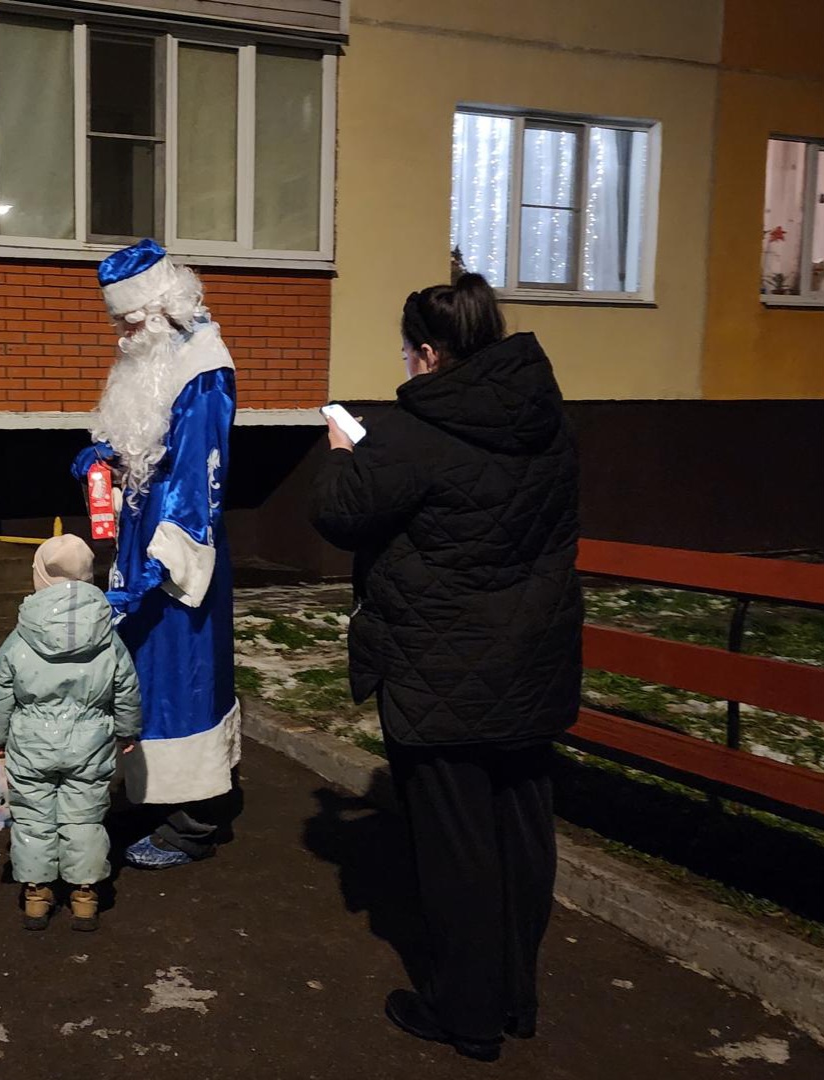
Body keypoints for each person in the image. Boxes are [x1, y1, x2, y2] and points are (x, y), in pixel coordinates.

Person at [309, 274, 582, 1062]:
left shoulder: (413, 430)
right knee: (521, 830)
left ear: (429, 353)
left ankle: (464, 1014)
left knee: (456, 844)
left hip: (441, 668)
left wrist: (338, 454)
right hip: (530, 659)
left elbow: (339, 512)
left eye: (406, 351)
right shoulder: (546, 419)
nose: (406, 364)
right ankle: (513, 998)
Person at [71, 239, 239, 869]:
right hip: (143, 539)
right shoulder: (155, 355)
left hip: (178, 553)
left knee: (182, 673)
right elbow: (144, 439)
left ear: (164, 306)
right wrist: (106, 456)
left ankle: (194, 819)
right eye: (117, 322)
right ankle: (154, 792)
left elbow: (199, 476)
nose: (121, 335)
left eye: (129, 320)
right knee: (143, 671)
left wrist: (164, 559)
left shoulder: (203, 367)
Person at [0, 534, 141, 931]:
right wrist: (127, 731)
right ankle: (84, 896)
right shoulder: (108, 638)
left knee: (34, 818)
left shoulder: (20, 638)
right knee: (84, 818)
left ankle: (37, 895)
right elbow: (126, 688)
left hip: (31, 744)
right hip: (90, 743)